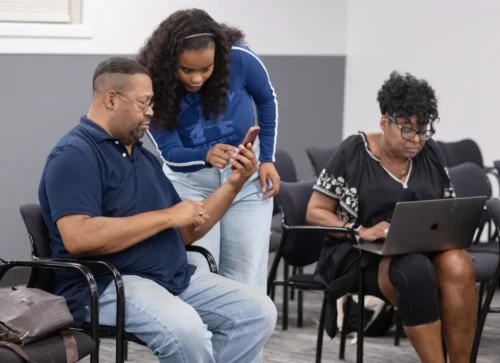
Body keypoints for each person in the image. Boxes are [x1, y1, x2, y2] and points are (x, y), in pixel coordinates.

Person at [38, 57, 277, 363]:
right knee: (187, 330)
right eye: (143, 102)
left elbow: (187, 231)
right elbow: (78, 237)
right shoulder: (74, 155)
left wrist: (234, 183)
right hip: (109, 283)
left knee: (258, 312)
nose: (151, 111)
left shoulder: (141, 156)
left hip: (170, 275)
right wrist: (166, 217)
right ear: (111, 99)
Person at [306, 71, 477, 363]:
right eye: (407, 129)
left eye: (423, 129)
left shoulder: (430, 153)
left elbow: (446, 208)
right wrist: (361, 230)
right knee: (413, 270)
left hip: (419, 247)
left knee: (458, 262)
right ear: (385, 122)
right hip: (360, 252)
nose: (417, 139)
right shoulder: (354, 151)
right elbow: (315, 212)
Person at [137, 8, 280, 294]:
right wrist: (204, 155)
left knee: (247, 277)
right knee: (200, 275)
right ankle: (201, 340)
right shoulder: (151, 83)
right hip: (192, 186)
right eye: (186, 70)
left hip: (246, 184)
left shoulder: (240, 58)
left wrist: (267, 159)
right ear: (169, 63)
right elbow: (169, 152)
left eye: (206, 69)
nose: (196, 79)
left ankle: (246, 339)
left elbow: (267, 101)